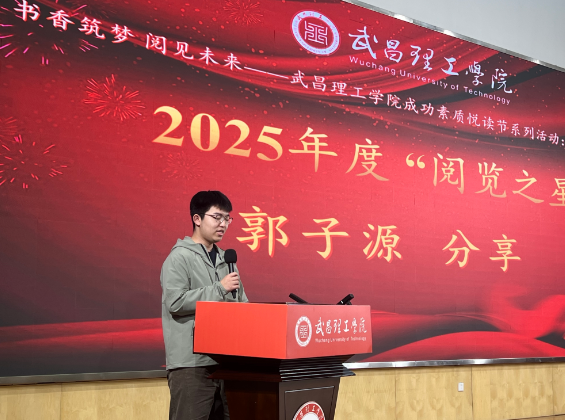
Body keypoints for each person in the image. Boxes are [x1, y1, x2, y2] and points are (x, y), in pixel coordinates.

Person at [161, 190, 248, 420]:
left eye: (227, 218)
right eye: (217, 217)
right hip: (192, 364)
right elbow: (175, 302)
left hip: (227, 361)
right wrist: (219, 289)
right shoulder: (179, 257)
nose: (223, 224)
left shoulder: (226, 260)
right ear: (197, 219)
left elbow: (242, 304)